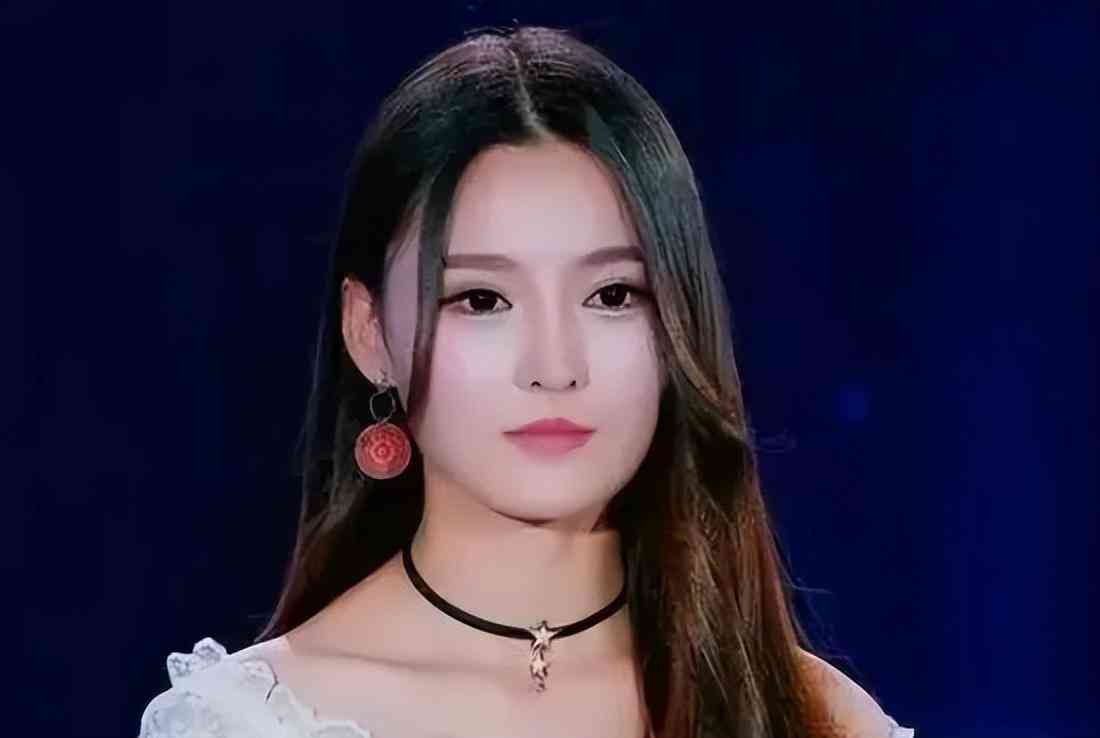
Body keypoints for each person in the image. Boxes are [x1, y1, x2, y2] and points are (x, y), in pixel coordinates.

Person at [136, 24, 915, 738]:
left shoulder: (817, 718)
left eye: (613, 295)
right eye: (482, 300)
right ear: (369, 334)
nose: (554, 366)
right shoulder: (245, 721)